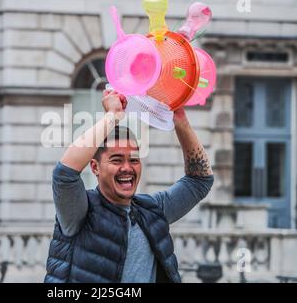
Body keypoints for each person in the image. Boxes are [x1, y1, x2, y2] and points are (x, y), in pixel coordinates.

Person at [44, 88, 214, 283]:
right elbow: (64, 174)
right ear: (95, 167)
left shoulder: (153, 210)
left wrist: (180, 119)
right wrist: (112, 116)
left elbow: (200, 180)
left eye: (134, 159)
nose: (127, 168)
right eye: (117, 160)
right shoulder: (79, 212)